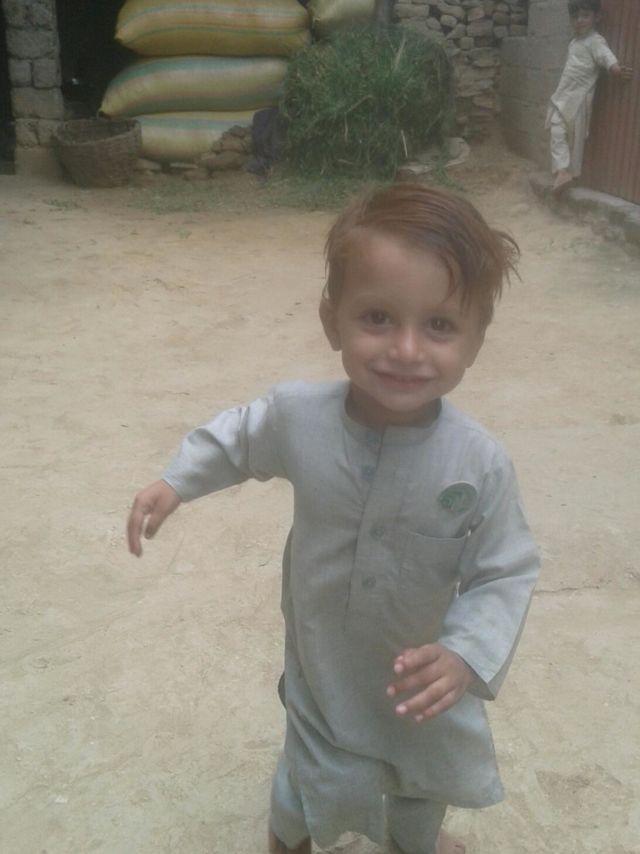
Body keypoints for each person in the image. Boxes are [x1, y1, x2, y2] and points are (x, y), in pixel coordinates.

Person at [127, 184, 540, 854]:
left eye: (439, 325)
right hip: (323, 656)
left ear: (475, 340)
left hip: (417, 669)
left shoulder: (479, 463)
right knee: (310, 772)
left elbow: (506, 569)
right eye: (378, 317)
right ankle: (287, 837)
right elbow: (239, 438)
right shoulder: (299, 418)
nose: (406, 349)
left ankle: (416, 839)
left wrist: (467, 651)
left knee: (420, 776)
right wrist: (176, 481)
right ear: (332, 320)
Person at [546, 0, 632, 193]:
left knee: (575, 138)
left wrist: (615, 69)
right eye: (575, 17)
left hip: (579, 99)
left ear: (597, 17)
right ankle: (562, 170)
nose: (579, 20)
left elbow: (605, 55)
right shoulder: (574, 42)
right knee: (557, 129)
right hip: (563, 96)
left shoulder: (595, 41)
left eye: (585, 16)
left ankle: (571, 173)